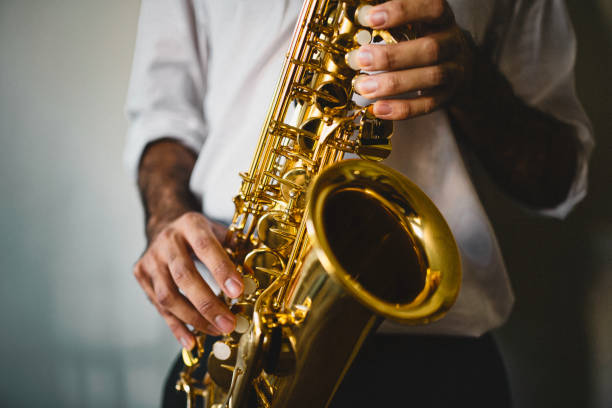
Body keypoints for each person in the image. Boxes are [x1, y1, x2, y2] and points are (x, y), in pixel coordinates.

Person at [125, 0, 593, 406]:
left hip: (441, 358)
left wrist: (471, 82)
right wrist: (167, 217)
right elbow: (164, 122)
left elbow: (558, 178)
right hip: (235, 329)